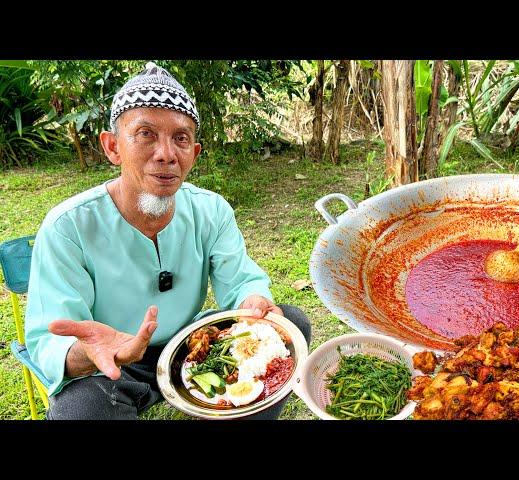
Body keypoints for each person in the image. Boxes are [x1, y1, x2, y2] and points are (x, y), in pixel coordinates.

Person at [24, 62, 311, 420]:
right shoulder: (69, 228)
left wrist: (255, 300)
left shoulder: (211, 210)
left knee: (291, 325)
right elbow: (49, 340)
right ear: (112, 147)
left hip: (193, 343)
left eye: (180, 138)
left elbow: (240, 281)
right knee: (80, 411)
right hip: (113, 366)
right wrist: (88, 351)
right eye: (145, 134)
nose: (166, 154)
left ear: (195, 152)